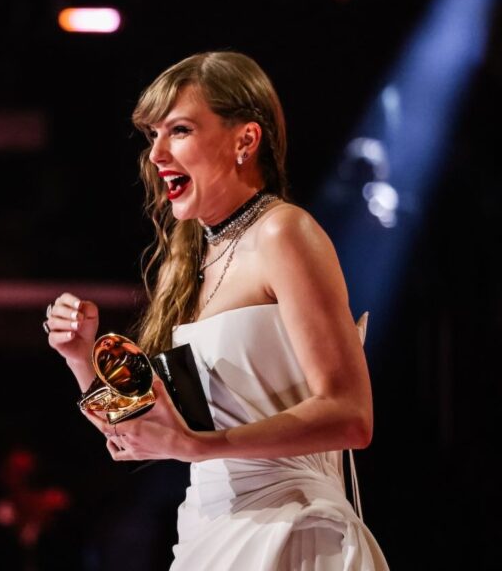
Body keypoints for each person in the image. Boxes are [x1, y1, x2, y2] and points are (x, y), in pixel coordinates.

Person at [44, 51, 389, 569]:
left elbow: (351, 416)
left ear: (244, 140)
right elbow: (141, 438)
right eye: (153, 135)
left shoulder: (284, 233)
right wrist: (78, 356)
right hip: (211, 528)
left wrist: (199, 445)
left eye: (178, 130)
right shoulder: (185, 263)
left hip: (293, 527)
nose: (157, 152)